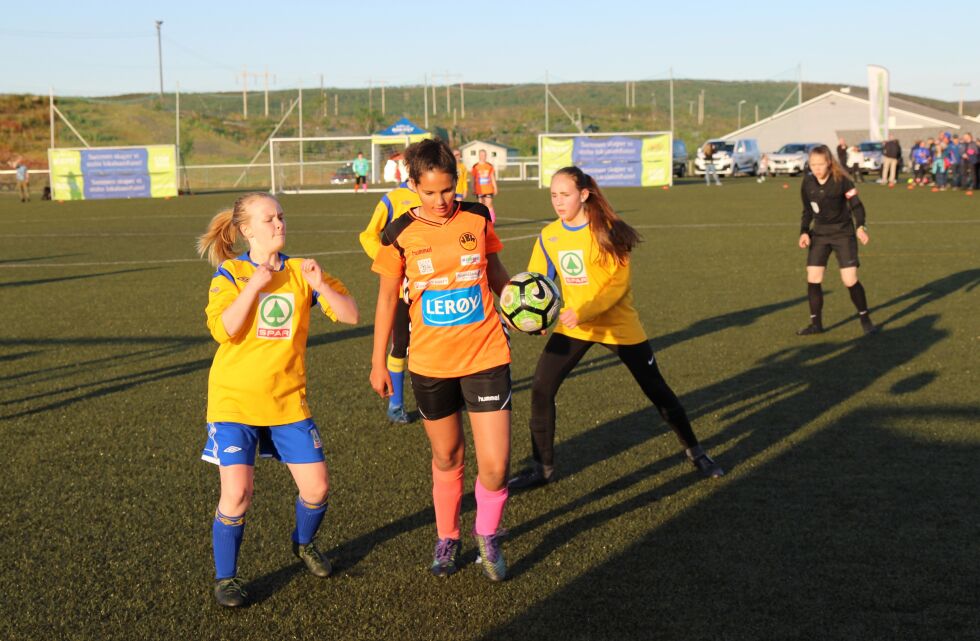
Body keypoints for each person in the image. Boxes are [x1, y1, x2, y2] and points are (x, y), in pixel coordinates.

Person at [508, 166, 724, 492]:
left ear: (583, 195)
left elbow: (616, 287)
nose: (558, 201)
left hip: (618, 325)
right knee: (541, 388)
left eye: (565, 194)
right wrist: (534, 320)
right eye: (553, 195)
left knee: (657, 390)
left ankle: (696, 452)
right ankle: (543, 468)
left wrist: (581, 311)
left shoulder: (608, 230)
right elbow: (537, 283)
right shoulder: (550, 235)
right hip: (575, 327)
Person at [196, 192, 359, 608]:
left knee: (318, 489)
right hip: (235, 401)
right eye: (268, 219)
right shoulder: (230, 273)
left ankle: (303, 543)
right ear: (247, 229)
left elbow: (351, 315)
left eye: (281, 217)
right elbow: (225, 330)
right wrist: (256, 283)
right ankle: (227, 577)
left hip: (287, 401)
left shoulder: (303, 272)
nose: (279, 224)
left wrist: (321, 284)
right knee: (237, 493)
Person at [369, 138, 513, 581]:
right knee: (448, 455)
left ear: (458, 182)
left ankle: (486, 536)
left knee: (496, 464)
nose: (440, 201)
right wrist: (379, 362)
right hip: (429, 363)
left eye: (447, 190)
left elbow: (495, 272)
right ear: (413, 185)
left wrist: (520, 308)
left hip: (486, 351)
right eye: (429, 192)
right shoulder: (397, 234)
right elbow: (387, 301)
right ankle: (448, 536)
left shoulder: (477, 216)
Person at [796, 145, 877, 337]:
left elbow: (856, 206)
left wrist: (861, 226)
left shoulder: (842, 181)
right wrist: (804, 232)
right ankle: (816, 324)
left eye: (820, 164)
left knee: (849, 280)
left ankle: (865, 319)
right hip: (820, 235)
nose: (816, 168)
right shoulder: (807, 183)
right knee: (813, 278)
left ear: (829, 163)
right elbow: (807, 211)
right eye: (812, 164)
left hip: (843, 234)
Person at [358, 178, 422, 423]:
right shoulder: (393, 198)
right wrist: (389, 260)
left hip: (432, 286)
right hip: (401, 289)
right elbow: (368, 235)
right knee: (400, 344)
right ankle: (396, 405)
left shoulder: (438, 196)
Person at [471, 149, 498, 222]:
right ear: (479, 156)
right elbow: (473, 178)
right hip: (479, 189)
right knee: (481, 206)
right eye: (481, 155)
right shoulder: (475, 166)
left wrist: (495, 187)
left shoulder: (489, 166)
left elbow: (492, 177)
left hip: (488, 189)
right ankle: (482, 221)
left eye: (484, 155)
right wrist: (473, 188)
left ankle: (492, 221)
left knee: (488, 205)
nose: (483, 156)